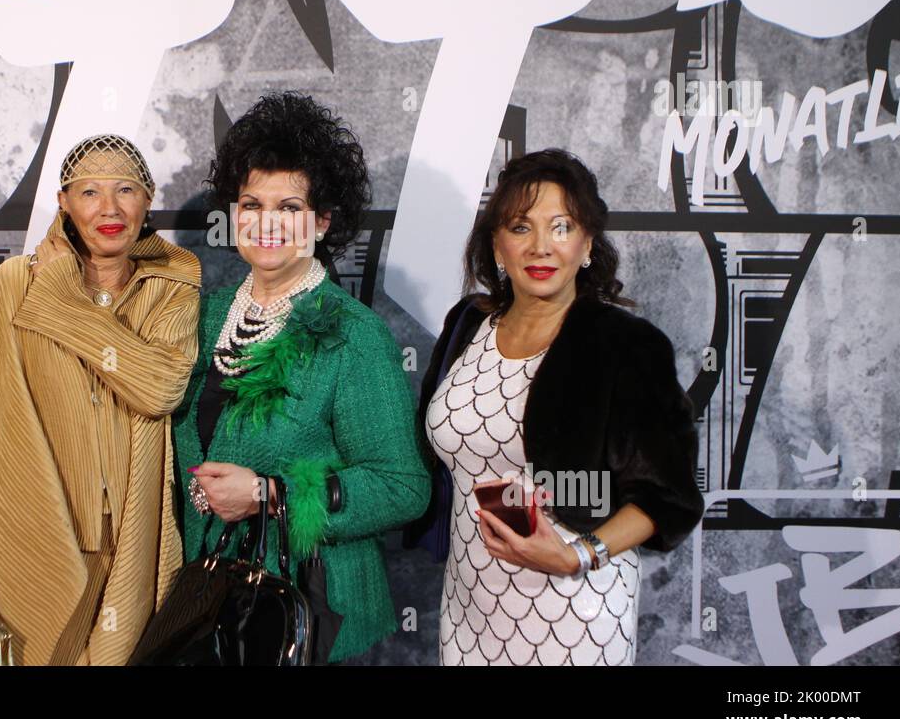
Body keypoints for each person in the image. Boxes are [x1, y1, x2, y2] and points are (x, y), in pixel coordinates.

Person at [406, 148, 704, 665]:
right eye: (521, 227)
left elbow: (667, 498)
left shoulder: (625, 345)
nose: (541, 246)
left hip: (576, 609)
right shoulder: (467, 324)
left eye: (561, 226)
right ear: (497, 246)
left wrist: (576, 556)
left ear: (587, 243)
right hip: (470, 607)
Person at [172, 91, 431, 664]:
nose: (268, 224)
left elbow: (403, 487)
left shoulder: (351, 334)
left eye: (289, 207)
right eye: (251, 204)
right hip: (210, 614)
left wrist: (271, 494)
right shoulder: (204, 315)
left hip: (310, 620)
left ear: (322, 220)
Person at [0, 133, 201, 665]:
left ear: (147, 200)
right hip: (25, 542)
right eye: (89, 192)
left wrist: (63, 302)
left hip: (131, 552)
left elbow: (160, 388)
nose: (109, 208)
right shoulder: (15, 284)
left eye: (125, 190)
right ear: (63, 203)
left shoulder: (171, 287)